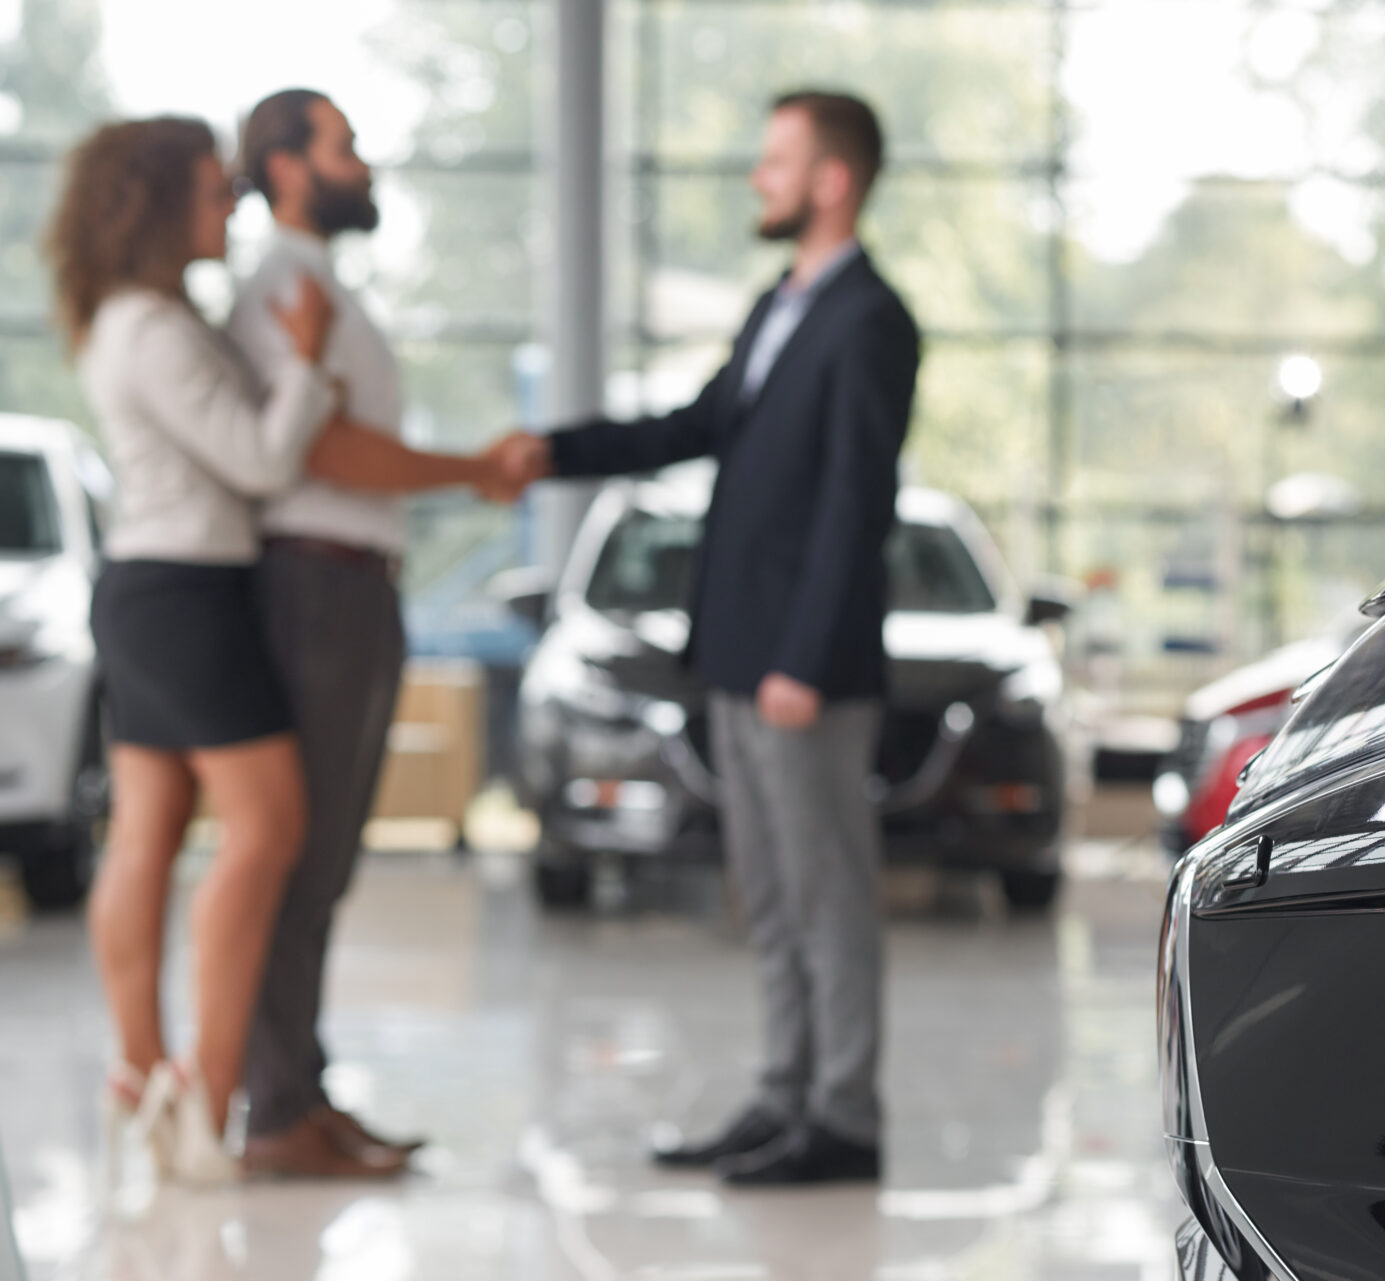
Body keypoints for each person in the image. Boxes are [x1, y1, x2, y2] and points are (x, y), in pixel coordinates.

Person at [44, 116, 518, 1187]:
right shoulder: (173, 322)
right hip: (186, 592)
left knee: (155, 832)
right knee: (269, 832)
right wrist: (305, 369)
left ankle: (158, 1081)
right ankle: (215, 1100)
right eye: (216, 189)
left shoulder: (166, 314)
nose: (234, 202)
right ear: (160, 203)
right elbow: (266, 461)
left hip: (174, 586)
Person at [492, 90, 919, 1185]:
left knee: (827, 894)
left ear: (833, 178)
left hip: (798, 671)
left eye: (775, 159)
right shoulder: (779, 305)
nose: (756, 178)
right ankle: (783, 1098)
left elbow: (851, 506)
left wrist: (804, 660)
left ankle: (847, 1118)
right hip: (734, 655)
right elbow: (692, 427)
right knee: (771, 897)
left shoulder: (872, 320)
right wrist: (556, 449)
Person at [227, 88, 522, 1179]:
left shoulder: (319, 288)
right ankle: (276, 1109)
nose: (365, 164)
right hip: (314, 587)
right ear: (290, 167)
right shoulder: (282, 288)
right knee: (299, 857)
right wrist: (476, 471)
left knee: (326, 858)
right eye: (344, 146)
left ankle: (298, 1089)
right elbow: (332, 454)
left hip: (351, 586)